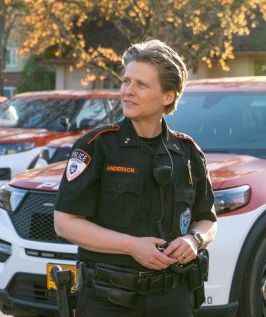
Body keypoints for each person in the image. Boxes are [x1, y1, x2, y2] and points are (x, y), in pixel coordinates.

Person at [54, 39, 217, 317]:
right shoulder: (96, 146)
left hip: (173, 298)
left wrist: (194, 240)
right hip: (109, 301)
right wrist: (131, 246)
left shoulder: (188, 153)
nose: (128, 91)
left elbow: (207, 219)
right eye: (126, 81)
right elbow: (65, 224)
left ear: (167, 96)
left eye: (141, 85)